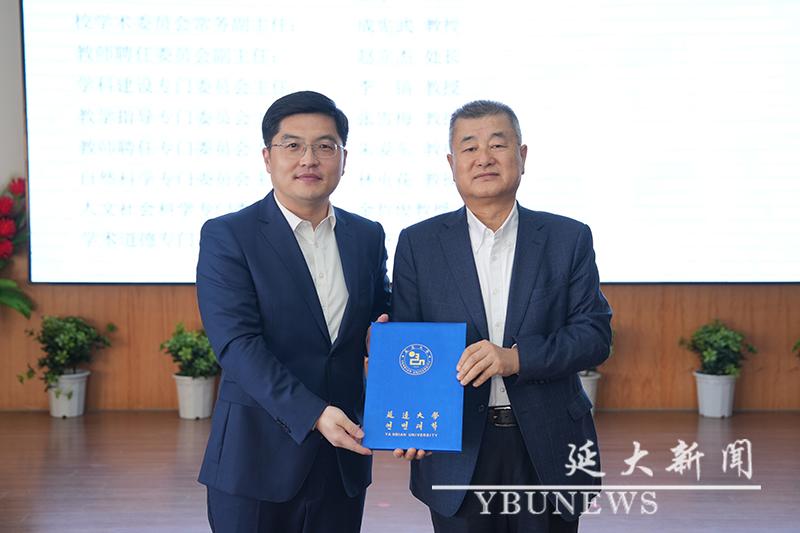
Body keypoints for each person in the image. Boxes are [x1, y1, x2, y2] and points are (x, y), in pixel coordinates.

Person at [391, 100, 612, 532]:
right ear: (452, 164)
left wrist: (516, 359)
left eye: (497, 144)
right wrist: (408, 422)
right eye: (469, 147)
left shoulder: (567, 238)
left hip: (548, 444)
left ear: (522, 157)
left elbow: (594, 336)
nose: (484, 158)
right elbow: (409, 341)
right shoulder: (419, 244)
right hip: (456, 448)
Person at [196, 90, 390, 533]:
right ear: (268, 157)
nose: (309, 159)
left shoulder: (367, 236)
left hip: (342, 459)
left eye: (325, 146)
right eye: (292, 145)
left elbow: (379, 318)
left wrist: (383, 337)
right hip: (256, 460)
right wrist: (314, 413)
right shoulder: (229, 236)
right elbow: (237, 346)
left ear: (344, 158)